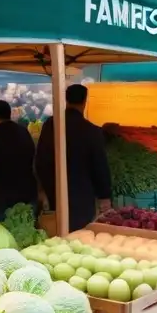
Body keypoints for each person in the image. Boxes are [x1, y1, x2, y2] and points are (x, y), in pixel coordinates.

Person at [34, 85, 111, 230]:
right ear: (84, 101)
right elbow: (99, 165)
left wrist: (42, 189)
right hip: (81, 194)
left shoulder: (50, 125)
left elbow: (40, 160)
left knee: (56, 233)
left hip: (54, 191)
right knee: (80, 234)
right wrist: (104, 195)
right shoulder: (91, 130)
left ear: (66, 99)